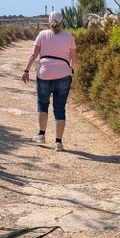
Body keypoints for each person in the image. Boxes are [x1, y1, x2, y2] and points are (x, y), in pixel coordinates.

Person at [21, 10, 77, 152]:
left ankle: (41, 135)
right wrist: (72, 71)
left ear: (49, 21)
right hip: (64, 76)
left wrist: (26, 70)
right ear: (62, 21)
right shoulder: (69, 37)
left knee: (42, 104)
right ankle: (58, 142)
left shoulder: (42, 35)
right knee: (60, 108)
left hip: (44, 75)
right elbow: (74, 59)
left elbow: (34, 55)